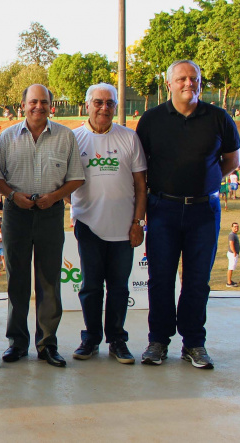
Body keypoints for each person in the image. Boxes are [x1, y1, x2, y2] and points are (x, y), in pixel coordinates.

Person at [136, 60, 240, 369]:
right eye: (181, 78)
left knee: (197, 281)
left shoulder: (219, 118)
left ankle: (194, 343)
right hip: (162, 210)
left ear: (200, 82)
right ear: (168, 84)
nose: (188, 83)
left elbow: (231, 161)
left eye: (193, 78)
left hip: (203, 212)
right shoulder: (151, 120)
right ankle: (158, 341)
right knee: (161, 279)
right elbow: (140, 169)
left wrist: (205, 182)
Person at [0, 84, 85, 367]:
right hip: (16, 214)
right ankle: (17, 343)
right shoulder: (7, 137)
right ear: (23, 105)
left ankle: (47, 344)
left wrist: (54, 197)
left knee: (49, 282)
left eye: (44, 102)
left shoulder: (65, 137)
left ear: (50, 106)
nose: (38, 107)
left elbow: (76, 177)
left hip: (50, 214)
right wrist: (13, 195)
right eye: (33, 102)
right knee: (17, 280)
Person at [68, 84, 147, 365]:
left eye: (110, 103)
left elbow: (140, 184)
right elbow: (64, 181)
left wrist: (138, 222)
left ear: (116, 106)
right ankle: (90, 338)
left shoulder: (129, 137)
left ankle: (117, 340)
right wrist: (74, 206)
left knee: (119, 288)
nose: (104, 108)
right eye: (98, 102)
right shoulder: (74, 138)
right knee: (90, 286)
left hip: (124, 227)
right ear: (87, 105)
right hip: (88, 225)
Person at [226, 223, 240, 288]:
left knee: (232, 267)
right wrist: (234, 252)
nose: (236, 228)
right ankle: (229, 282)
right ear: (231, 227)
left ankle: (230, 281)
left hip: (233, 253)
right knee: (231, 268)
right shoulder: (232, 235)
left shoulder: (234, 234)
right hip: (232, 253)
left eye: (237, 227)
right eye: (235, 227)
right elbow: (231, 244)